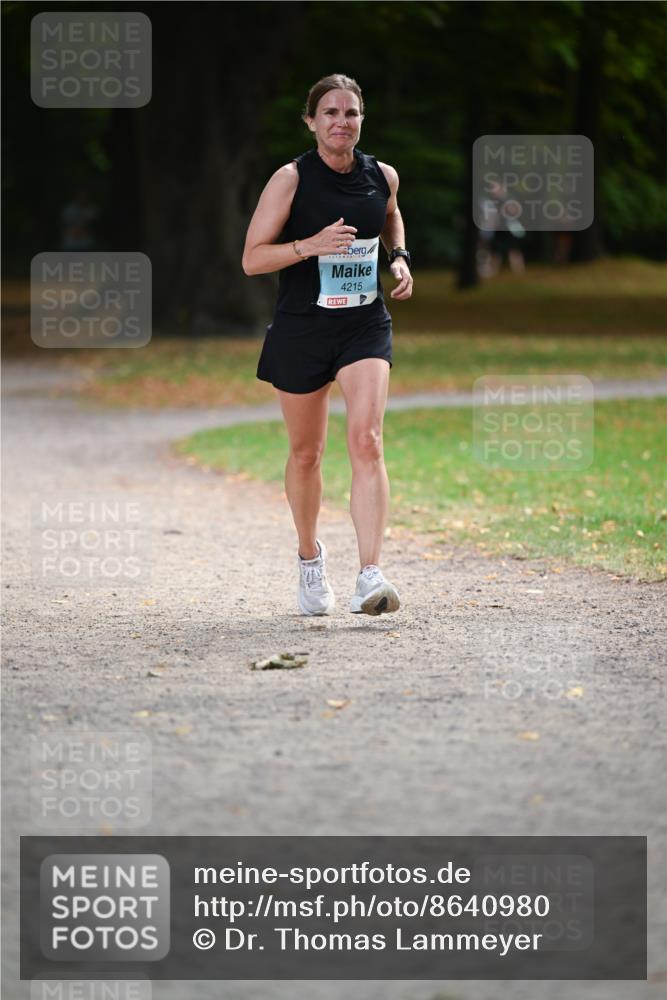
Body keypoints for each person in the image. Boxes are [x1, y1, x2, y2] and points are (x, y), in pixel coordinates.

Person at [242, 73, 413, 617]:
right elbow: (252, 258)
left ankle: (370, 575)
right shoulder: (290, 180)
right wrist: (308, 246)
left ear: (362, 120)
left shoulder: (381, 175)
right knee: (306, 453)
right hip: (302, 328)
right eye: (331, 113)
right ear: (311, 121)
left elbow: (390, 214)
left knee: (367, 440)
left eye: (351, 113)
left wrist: (399, 257)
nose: (342, 122)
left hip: (364, 324)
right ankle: (310, 558)